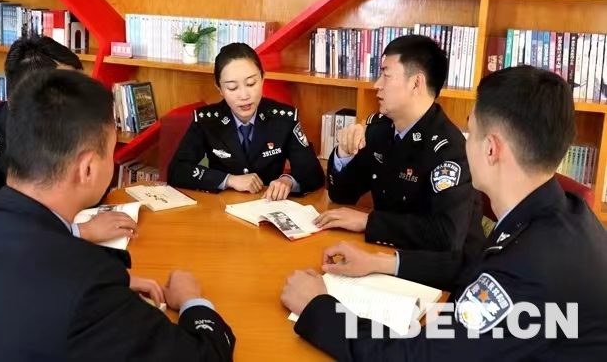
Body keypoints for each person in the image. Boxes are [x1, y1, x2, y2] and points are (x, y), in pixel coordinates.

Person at [281, 65, 607, 360]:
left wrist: (318, 308)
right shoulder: (563, 213)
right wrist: (379, 262)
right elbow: (474, 269)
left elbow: (417, 357)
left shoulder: (527, 269)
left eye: (471, 132)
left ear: (491, 149)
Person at [0, 69, 236, 361]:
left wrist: (113, 287)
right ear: (88, 168)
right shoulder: (87, 281)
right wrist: (191, 300)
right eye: (111, 151)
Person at [313, 35, 484, 287]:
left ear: (416, 83)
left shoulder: (449, 149)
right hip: (383, 256)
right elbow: (342, 195)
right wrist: (343, 153)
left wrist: (369, 222)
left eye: (386, 75)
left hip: (441, 276)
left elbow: (446, 235)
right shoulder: (381, 129)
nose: (376, 85)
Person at [0, 32, 132, 244]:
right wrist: (80, 231)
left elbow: (93, 192)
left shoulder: (73, 127)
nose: (80, 102)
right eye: (67, 92)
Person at [168, 43, 324, 200]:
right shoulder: (207, 121)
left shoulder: (283, 119)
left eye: (251, 84)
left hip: (268, 205)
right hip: (221, 207)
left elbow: (313, 172)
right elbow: (177, 171)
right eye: (232, 88)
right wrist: (228, 180)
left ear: (262, 79)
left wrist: (287, 181)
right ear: (220, 89)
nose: (244, 96)